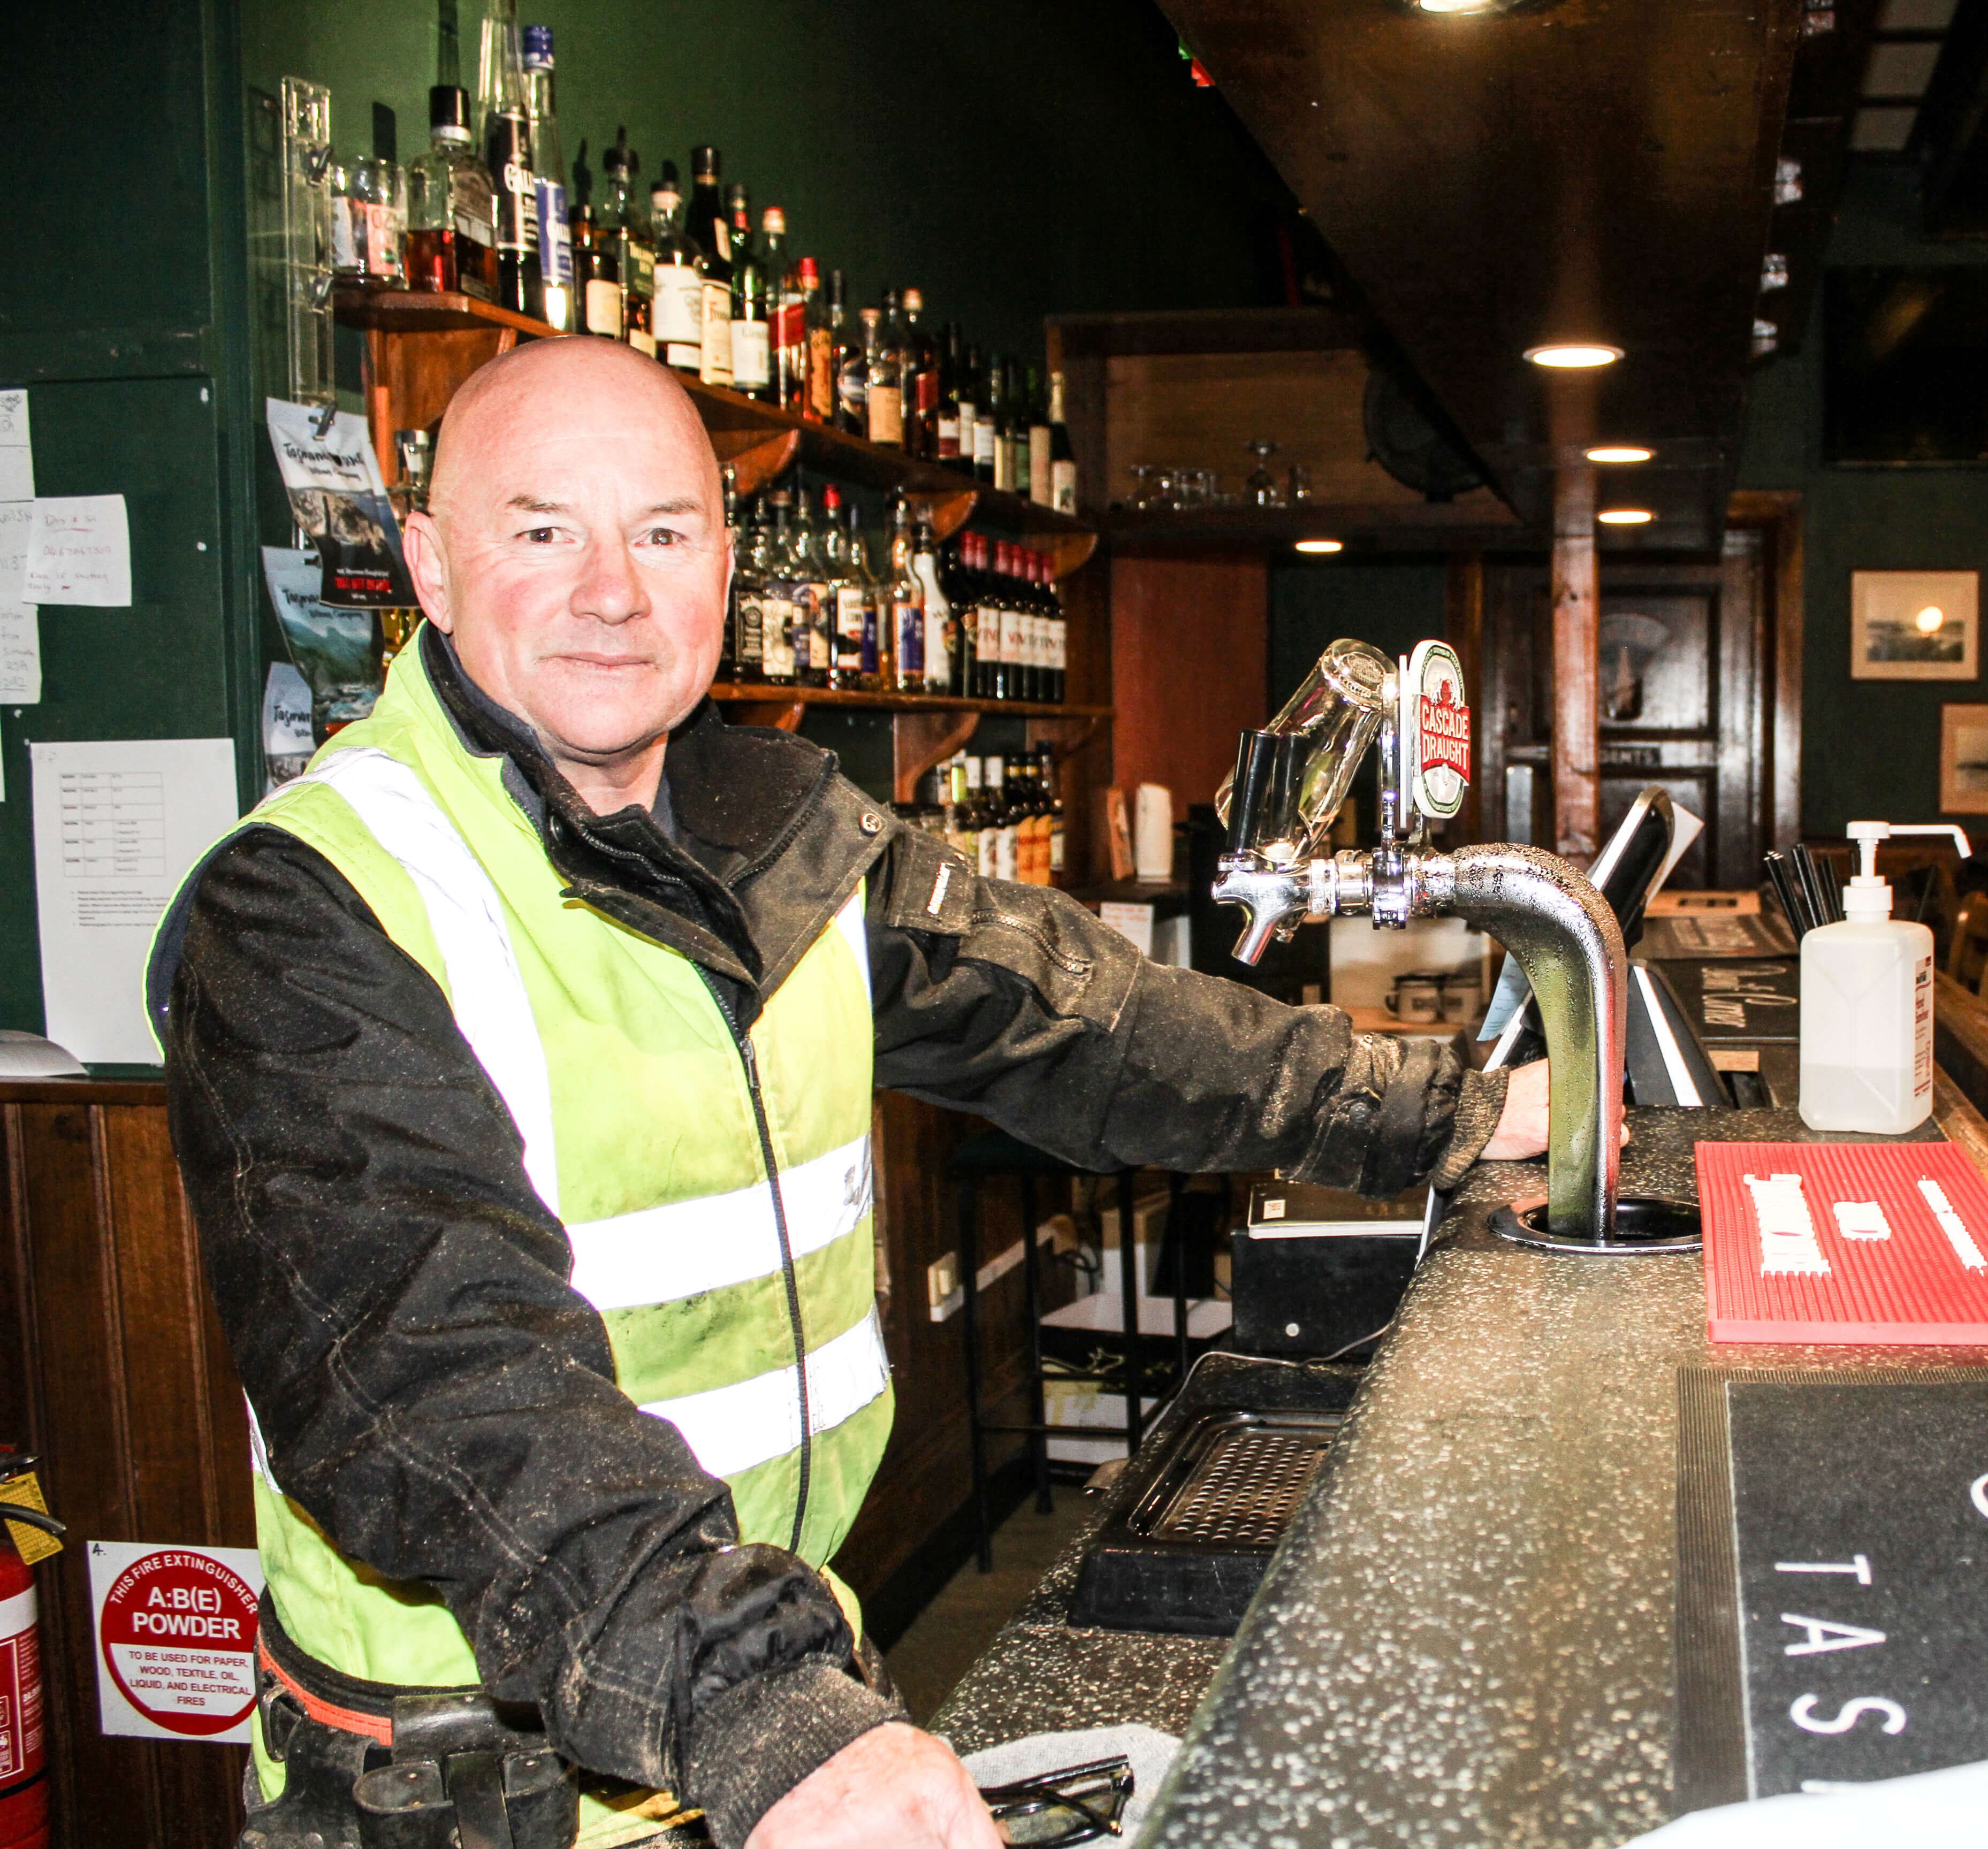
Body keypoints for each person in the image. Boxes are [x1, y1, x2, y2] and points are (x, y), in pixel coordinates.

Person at [152, 337, 1566, 1849]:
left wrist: (1446, 1111)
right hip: (477, 1785)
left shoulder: (784, 839)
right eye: (542, 530)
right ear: (429, 565)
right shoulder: (305, 906)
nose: (613, 589)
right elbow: (431, 1376)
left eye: (665, 532)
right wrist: (761, 1703)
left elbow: (1102, 1026)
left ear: (724, 565)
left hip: (761, 1702)